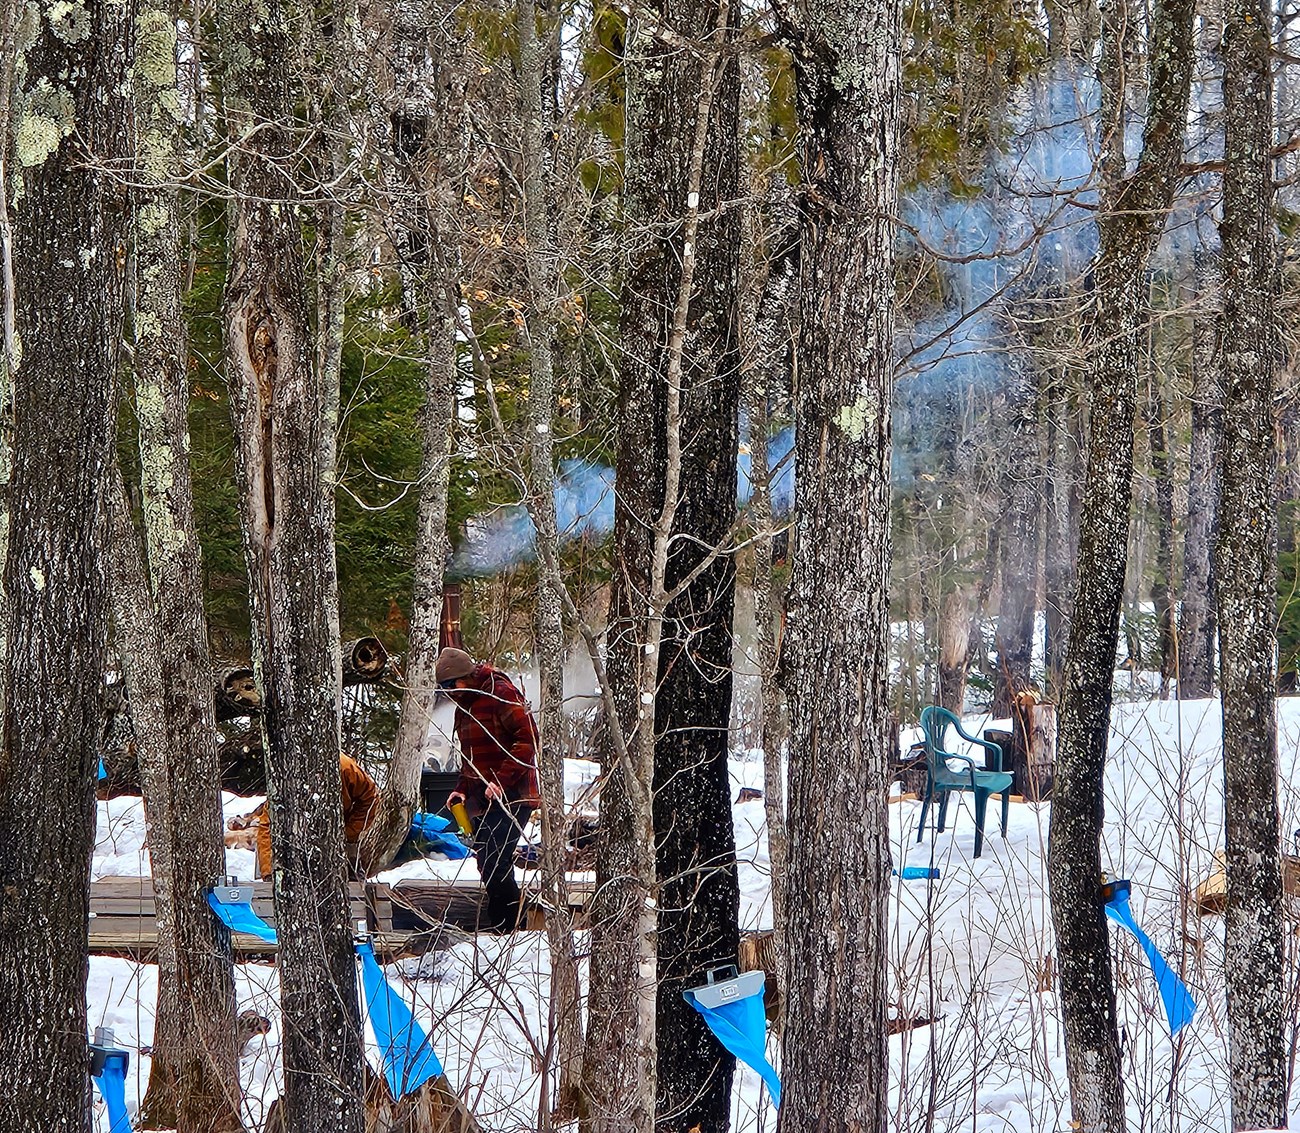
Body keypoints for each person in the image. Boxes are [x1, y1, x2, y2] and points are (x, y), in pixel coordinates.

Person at [436, 646, 540, 933]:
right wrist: (461, 789)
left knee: (495, 859)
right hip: (485, 797)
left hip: (515, 794)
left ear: (462, 679)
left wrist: (501, 781)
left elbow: (529, 739)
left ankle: (509, 930)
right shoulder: (465, 705)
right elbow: (472, 758)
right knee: (487, 860)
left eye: (449, 686)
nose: (448, 693)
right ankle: (505, 926)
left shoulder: (500, 693)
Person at [247, 753, 379, 879]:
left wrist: (350, 832)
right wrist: (269, 870)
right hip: (297, 837)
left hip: (339, 833)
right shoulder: (285, 778)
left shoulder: (345, 767)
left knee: (352, 879)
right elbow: (268, 825)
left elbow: (370, 798)